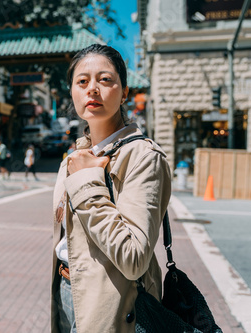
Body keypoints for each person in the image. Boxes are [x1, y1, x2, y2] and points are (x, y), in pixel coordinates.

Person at [51, 44, 171, 332]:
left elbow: (134, 258)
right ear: (72, 92)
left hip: (112, 304)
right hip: (65, 290)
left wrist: (86, 183)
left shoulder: (143, 156)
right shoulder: (76, 156)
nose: (92, 89)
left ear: (125, 92)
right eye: (82, 81)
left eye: (105, 80)